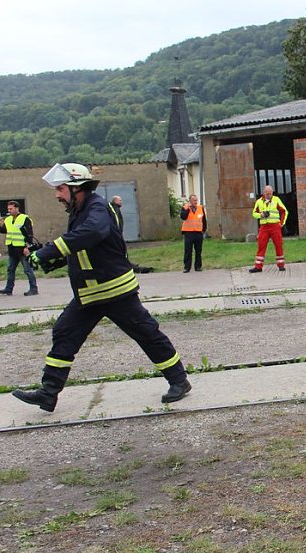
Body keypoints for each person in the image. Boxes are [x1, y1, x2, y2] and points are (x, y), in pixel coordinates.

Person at [12, 162, 191, 412]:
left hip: (115, 291)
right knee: (64, 332)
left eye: (61, 189)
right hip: (90, 294)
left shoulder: (97, 208)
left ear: (77, 188)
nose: (57, 195)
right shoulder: (79, 211)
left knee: (147, 334)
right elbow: (84, 246)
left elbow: (92, 233)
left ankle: (179, 381)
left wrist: (50, 251)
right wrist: (51, 257)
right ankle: (48, 393)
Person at [0, 200, 39, 296]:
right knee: (10, 270)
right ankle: (8, 289)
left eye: (11, 209)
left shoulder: (25, 219)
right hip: (12, 249)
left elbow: (29, 234)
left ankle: (34, 289)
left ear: (17, 208)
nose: (9, 210)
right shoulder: (8, 219)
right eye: (8, 209)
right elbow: (4, 230)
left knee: (28, 270)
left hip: (22, 249)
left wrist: (27, 247)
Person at [249, 185, 288, 272]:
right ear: (264, 193)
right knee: (261, 245)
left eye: (270, 194)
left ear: (272, 193)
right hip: (264, 227)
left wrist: (281, 223)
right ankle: (258, 266)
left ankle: (281, 265)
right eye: (267, 194)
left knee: (278, 245)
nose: (269, 195)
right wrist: (261, 215)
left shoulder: (276, 200)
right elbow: (254, 213)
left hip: (275, 226)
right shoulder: (259, 201)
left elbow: (284, 211)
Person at [180, 194, 207, 273]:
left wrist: (204, 229)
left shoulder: (200, 208)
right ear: (190, 201)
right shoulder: (185, 207)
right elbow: (183, 217)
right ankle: (187, 267)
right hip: (188, 232)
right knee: (188, 250)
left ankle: (198, 266)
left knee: (198, 250)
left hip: (198, 232)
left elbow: (204, 220)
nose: (196, 202)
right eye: (194, 200)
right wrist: (188, 209)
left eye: (196, 200)